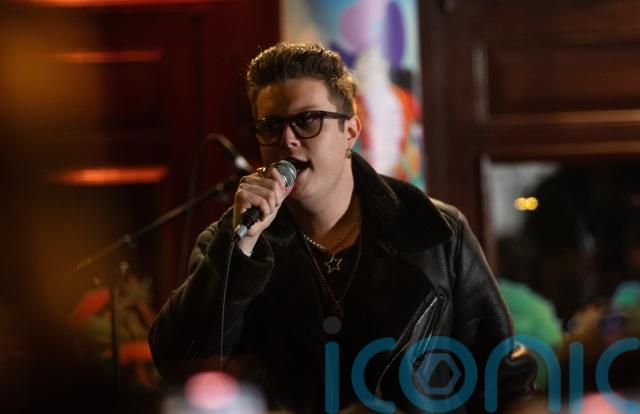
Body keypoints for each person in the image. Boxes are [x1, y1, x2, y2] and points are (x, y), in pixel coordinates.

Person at [149, 42, 536, 413]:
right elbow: (179, 365)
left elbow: (504, 379)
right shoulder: (233, 242)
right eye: (271, 126)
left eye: (307, 120)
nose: (287, 139)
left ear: (350, 131)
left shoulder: (435, 231)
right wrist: (241, 252)